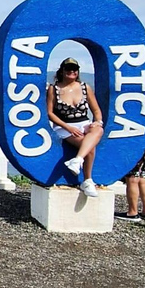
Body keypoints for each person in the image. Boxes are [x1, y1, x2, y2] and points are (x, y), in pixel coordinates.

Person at [46, 57, 103, 197]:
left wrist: (98, 121)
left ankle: (77, 160)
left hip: (83, 122)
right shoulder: (54, 89)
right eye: (68, 69)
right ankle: (87, 180)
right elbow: (50, 113)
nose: (71, 72)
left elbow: (96, 110)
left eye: (74, 69)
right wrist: (68, 127)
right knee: (89, 145)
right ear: (62, 71)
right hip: (64, 126)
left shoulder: (85, 87)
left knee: (98, 130)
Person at [116, 111, 145, 223]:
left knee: (132, 179)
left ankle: (132, 212)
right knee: (144, 179)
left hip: (137, 150)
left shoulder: (138, 112)